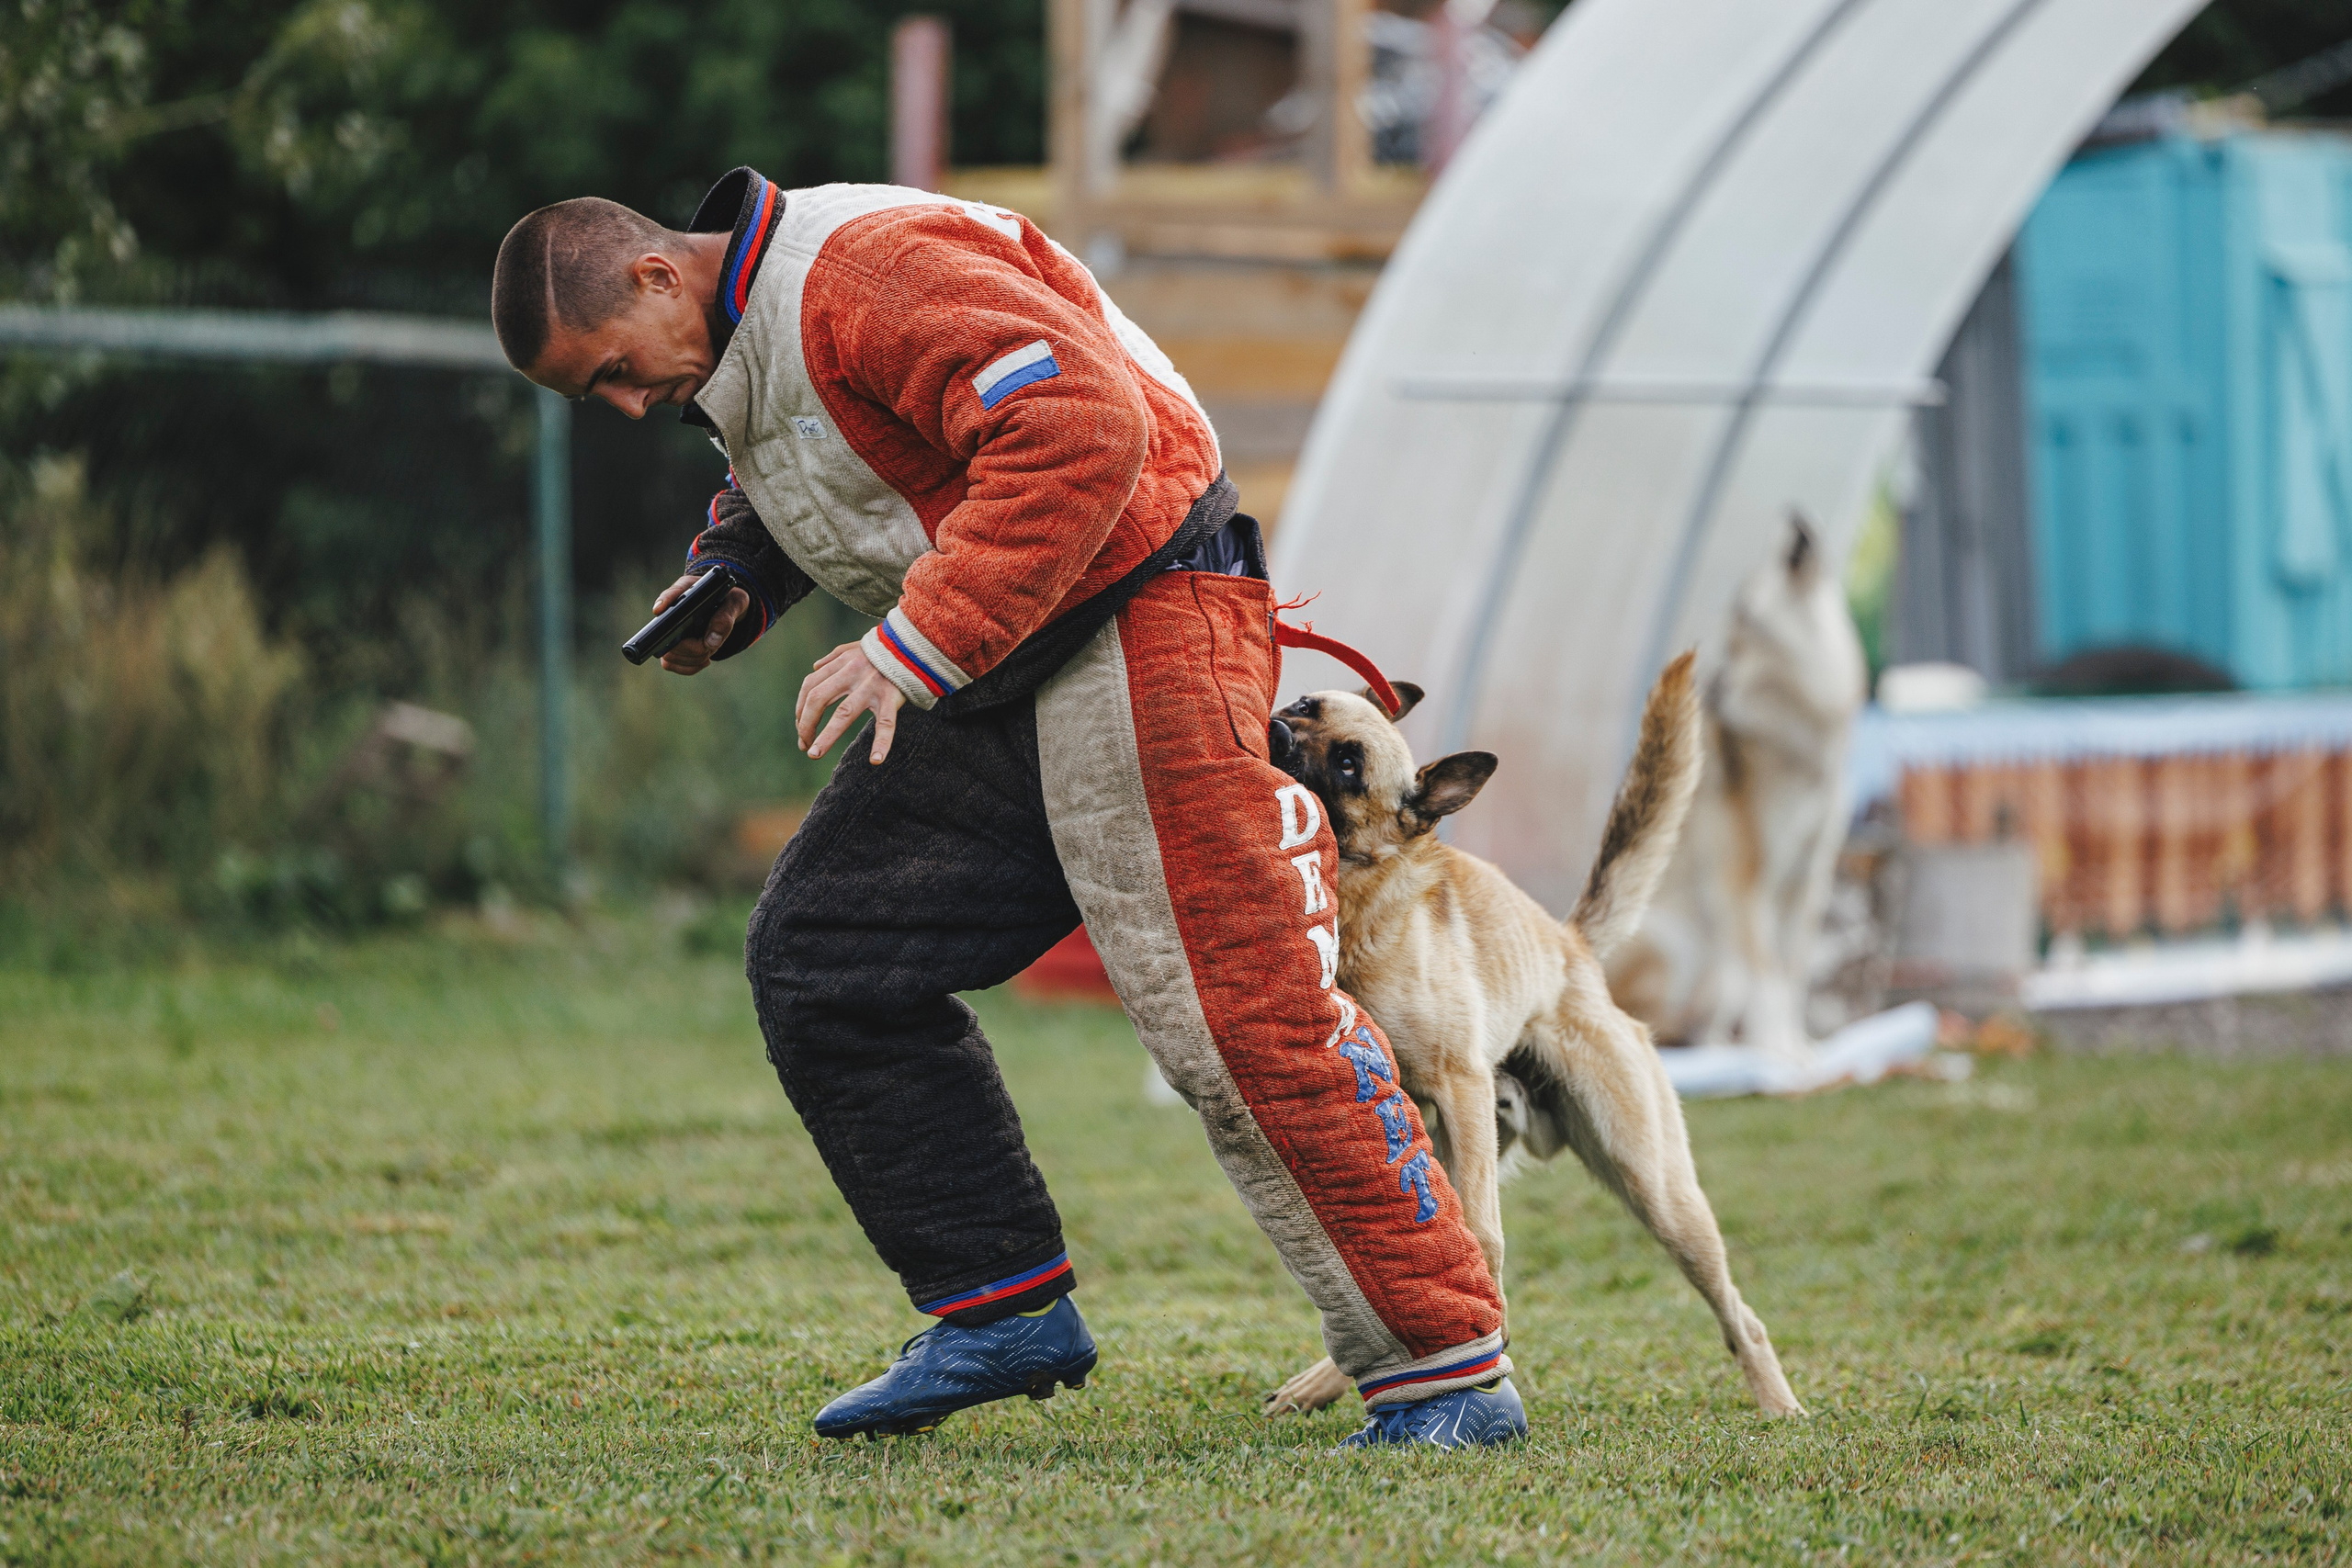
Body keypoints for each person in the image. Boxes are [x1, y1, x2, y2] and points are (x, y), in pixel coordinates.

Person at [491, 168, 1524, 1450]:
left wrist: (913, 640)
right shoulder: (749, 328)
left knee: (1233, 1004)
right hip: (1013, 644)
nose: (631, 403)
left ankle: (1447, 1368)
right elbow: (831, 453)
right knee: (828, 956)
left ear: (653, 275)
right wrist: (733, 579)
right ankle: (1000, 1312)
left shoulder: (863, 274)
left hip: (1144, 609)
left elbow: (1084, 429)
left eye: (612, 374)